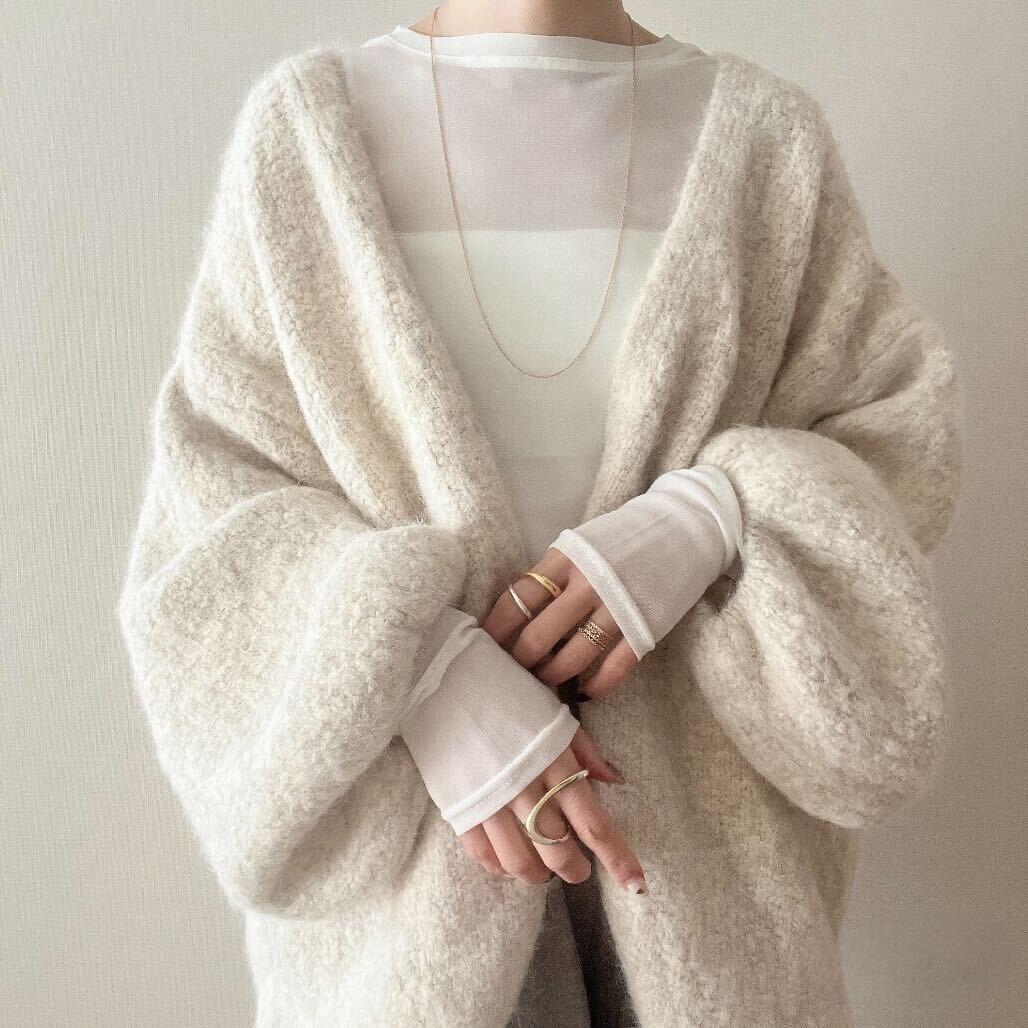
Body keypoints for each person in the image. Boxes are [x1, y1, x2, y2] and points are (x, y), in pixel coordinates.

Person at [118, 3, 964, 1025]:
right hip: (400, 942)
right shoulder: (304, 137)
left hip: (721, 918)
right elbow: (212, 516)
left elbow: (894, 438)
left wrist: (717, 515)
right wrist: (417, 667)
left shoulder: (764, 142)